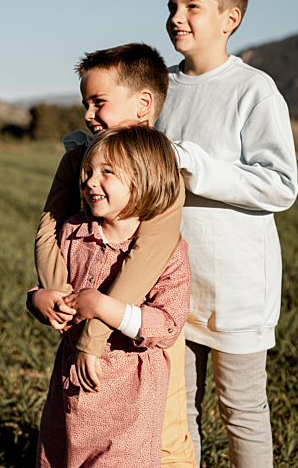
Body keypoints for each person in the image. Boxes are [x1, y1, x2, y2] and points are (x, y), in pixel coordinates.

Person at [155, 0, 298, 467]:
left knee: (241, 409)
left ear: (229, 19)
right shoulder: (159, 88)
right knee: (176, 411)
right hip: (169, 283)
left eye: (192, 6)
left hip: (235, 286)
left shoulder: (253, 90)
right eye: (172, 5)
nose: (177, 17)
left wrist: (194, 163)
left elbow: (281, 186)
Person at [30, 43, 197, 466]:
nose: (88, 114)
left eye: (98, 102)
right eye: (86, 102)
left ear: (143, 105)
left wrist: (92, 333)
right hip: (82, 334)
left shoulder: (161, 171)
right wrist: (58, 297)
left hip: (137, 345)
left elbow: (147, 259)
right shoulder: (80, 159)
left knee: (165, 437)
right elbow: (51, 228)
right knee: (70, 435)